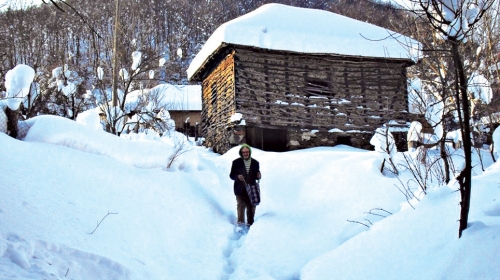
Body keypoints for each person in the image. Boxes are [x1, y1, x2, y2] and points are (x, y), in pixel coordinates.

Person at [229, 144, 261, 228]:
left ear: (249, 152)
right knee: (241, 205)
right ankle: (240, 224)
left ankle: (250, 224)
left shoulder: (255, 163)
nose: (245, 154)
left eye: (247, 152)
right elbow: (231, 175)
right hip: (240, 189)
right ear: (241, 153)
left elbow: (257, 176)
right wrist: (237, 177)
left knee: (251, 207)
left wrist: (259, 176)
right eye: (244, 152)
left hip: (251, 189)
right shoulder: (236, 162)